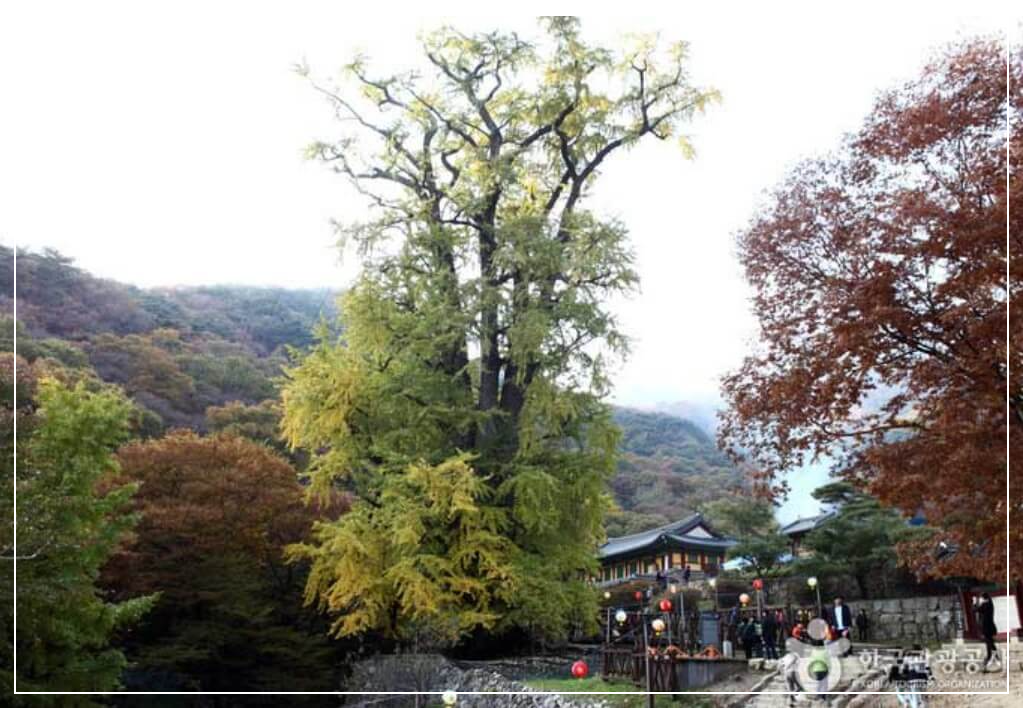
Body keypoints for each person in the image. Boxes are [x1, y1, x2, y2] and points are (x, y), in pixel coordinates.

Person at [977, 592, 999, 671]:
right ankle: (992, 655)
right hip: (990, 626)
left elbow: (976, 610)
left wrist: (975, 603)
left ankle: (991, 656)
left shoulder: (985, 605)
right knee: (990, 641)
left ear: (983, 598)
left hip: (986, 627)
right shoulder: (990, 604)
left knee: (989, 642)